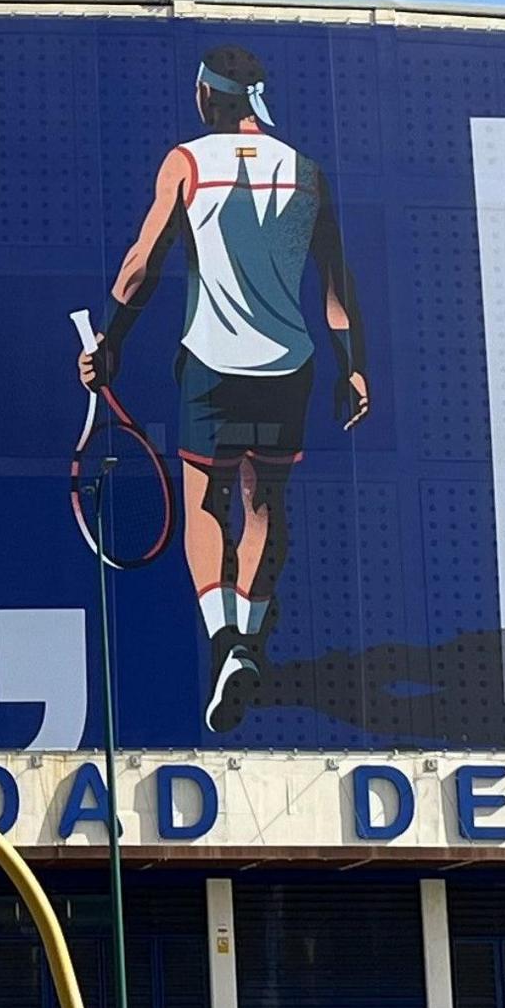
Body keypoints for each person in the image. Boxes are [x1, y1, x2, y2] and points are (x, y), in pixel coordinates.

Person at [80, 44, 371, 732]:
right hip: (287, 368)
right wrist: (352, 364)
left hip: (212, 365)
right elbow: (337, 287)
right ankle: (252, 637)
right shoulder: (307, 171)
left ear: (208, 97)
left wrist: (111, 341)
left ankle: (225, 641)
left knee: (205, 503)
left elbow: (140, 266)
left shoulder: (186, 163)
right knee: (265, 504)